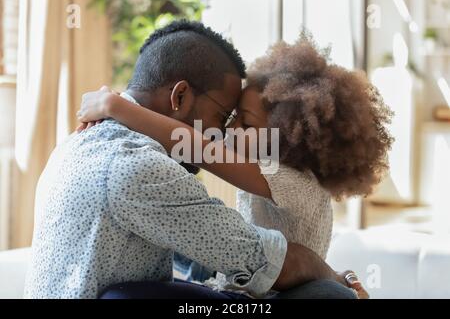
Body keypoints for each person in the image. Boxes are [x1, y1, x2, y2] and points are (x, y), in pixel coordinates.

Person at [25, 21, 359, 299]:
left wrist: (117, 107)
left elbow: (198, 150)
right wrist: (337, 280)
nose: (222, 133)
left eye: (239, 122)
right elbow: (270, 260)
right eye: (223, 116)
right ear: (180, 96)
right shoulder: (139, 166)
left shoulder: (77, 143)